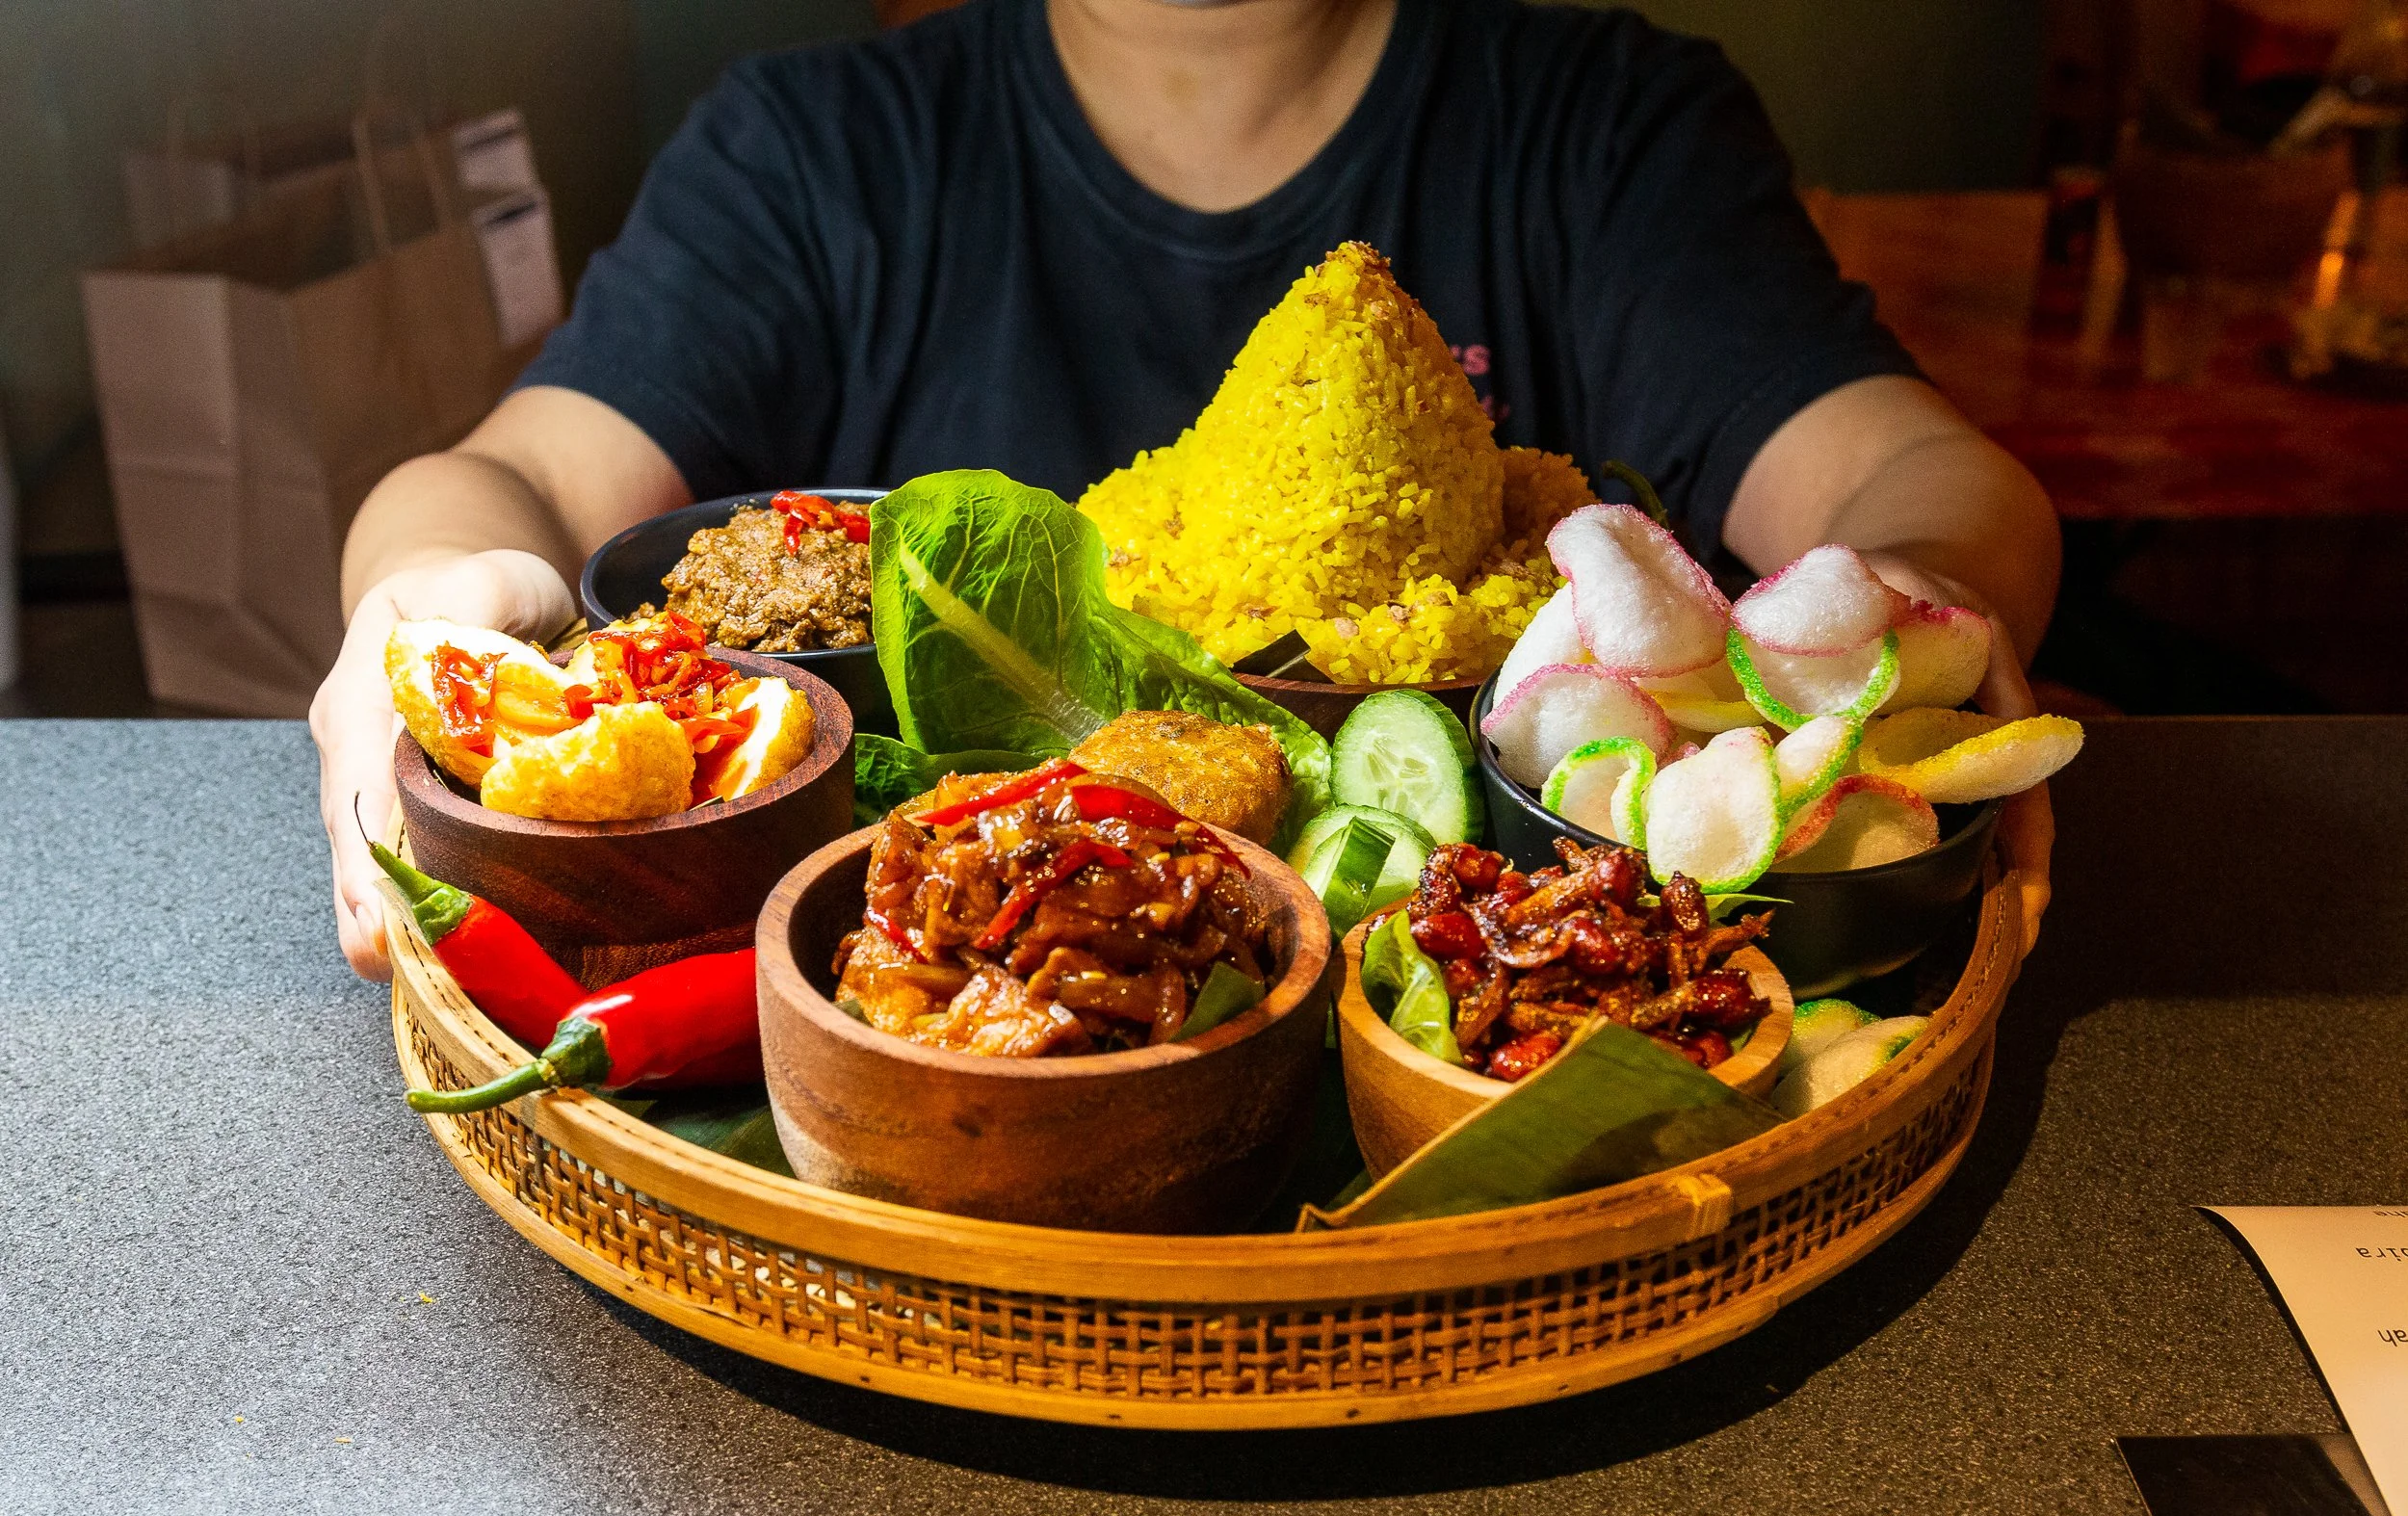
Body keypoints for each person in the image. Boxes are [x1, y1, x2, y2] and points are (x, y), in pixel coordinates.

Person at [315, 0, 2061, 980]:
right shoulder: (817, 153)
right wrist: (428, 599)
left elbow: (1920, 476)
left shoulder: (1604, 133)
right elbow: (514, 474)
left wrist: (1901, 650)